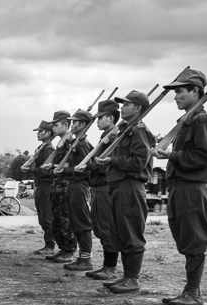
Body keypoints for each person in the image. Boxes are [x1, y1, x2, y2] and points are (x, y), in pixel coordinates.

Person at [153, 68, 207, 305]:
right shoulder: (187, 122)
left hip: (193, 189)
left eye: (180, 91)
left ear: (195, 91)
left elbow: (205, 157)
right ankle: (190, 289)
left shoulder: (202, 121)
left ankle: (193, 292)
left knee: (194, 242)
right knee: (186, 240)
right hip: (181, 188)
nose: (175, 97)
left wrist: (172, 154)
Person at [95, 90, 155, 293]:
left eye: (127, 104)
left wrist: (113, 160)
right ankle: (126, 275)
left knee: (131, 234)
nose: (122, 107)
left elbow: (139, 162)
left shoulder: (139, 131)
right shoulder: (125, 130)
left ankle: (133, 278)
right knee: (120, 232)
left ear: (138, 108)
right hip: (118, 186)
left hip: (130, 186)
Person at [82, 99, 120, 280]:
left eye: (101, 118)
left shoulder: (114, 137)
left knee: (106, 228)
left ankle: (111, 268)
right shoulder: (105, 136)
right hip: (97, 187)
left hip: (105, 187)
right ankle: (106, 265)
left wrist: (90, 165)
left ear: (111, 118)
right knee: (99, 227)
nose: (97, 121)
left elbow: (106, 165)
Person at [54, 109, 94, 271]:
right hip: (73, 185)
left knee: (82, 222)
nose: (73, 125)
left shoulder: (83, 145)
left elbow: (85, 169)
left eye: (75, 122)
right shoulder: (76, 143)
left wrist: (63, 171)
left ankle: (86, 259)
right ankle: (81, 257)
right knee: (76, 222)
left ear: (83, 124)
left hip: (80, 186)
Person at [43, 110, 77, 263]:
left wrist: (54, 166)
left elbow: (74, 164)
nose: (53, 128)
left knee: (65, 219)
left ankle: (69, 250)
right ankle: (63, 248)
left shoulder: (71, 142)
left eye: (56, 125)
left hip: (65, 186)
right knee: (56, 219)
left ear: (65, 124)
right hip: (56, 185)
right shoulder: (61, 143)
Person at [22, 120, 56, 254]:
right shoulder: (42, 148)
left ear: (48, 133)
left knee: (47, 216)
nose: (38, 134)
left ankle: (50, 244)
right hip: (40, 185)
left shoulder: (48, 149)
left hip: (46, 185)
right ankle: (48, 243)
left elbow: (46, 170)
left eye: (40, 131)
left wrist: (31, 170)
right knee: (42, 216)